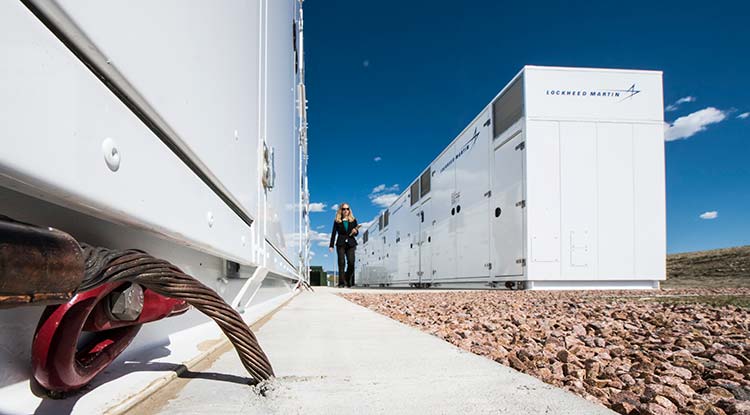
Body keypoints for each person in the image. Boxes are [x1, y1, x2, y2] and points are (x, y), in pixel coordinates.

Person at [329, 203, 359, 288]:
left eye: (347, 209)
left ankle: (347, 278)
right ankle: (341, 283)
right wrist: (331, 245)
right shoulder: (337, 221)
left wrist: (355, 232)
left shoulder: (353, 220)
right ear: (341, 211)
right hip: (341, 243)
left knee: (351, 262)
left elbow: (357, 233)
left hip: (351, 243)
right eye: (344, 209)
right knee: (341, 263)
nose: (346, 211)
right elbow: (333, 233)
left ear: (349, 210)